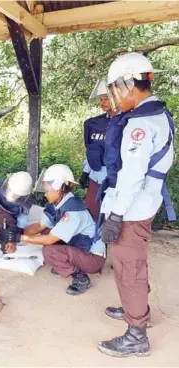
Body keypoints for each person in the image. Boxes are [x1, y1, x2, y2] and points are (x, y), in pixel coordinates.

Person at [97, 52, 175, 358]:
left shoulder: (139, 125)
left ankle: (136, 334)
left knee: (128, 266)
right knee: (135, 262)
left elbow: (131, 176)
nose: (114, 97)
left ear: (129, 85)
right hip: (146, 201)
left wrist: (115, 215)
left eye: (115, 89)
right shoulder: (158, 114)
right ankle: (136, 309)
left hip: (132, 208)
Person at [22, 164, 106, 295]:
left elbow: (50, 240)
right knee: (45, 233)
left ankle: (81, 278)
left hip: (93, 259)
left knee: (49, 250)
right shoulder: (58, 204)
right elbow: (40, 226)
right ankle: (67, 263)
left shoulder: (73, 211)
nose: (45, 195)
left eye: (48, 190)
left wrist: (21, 238)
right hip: (80, 247)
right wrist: (18, 231)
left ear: (59, 188)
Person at [78, 80, 117, 220]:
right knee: (92, 213)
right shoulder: (95, 124)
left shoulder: (126, 122)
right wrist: (85, 172)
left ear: (116, 96)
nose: (102, 102)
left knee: (110, 217)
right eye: (100, 99)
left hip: (114, 180)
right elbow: (93, 150)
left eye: (106, 98)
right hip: (95, 177)